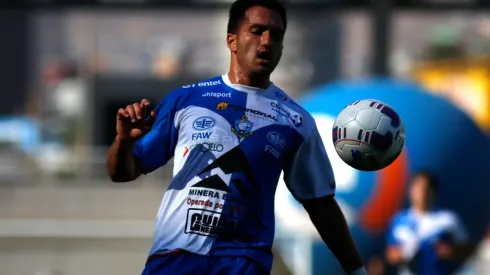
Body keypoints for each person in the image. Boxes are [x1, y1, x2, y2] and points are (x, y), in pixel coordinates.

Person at [106, 0, 367, 274]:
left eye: (276, 34)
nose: (266, 41)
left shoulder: (297, 121)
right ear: (231, 40)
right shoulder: (186, 100)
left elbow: (321, 204)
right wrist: (124, 142)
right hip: (174, 259)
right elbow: (122, 172)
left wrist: (357, 270)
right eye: (257, 31)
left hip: (243, 264)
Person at [385, 171, 473, 275]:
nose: (422, 192)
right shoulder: (399, 220)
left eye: (427, 188)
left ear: (434, 192)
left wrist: (451, 251)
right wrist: (405, 253)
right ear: (411, 190)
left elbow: (469, 250)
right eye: (418, 187)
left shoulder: (448, 219)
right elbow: (390, 254)